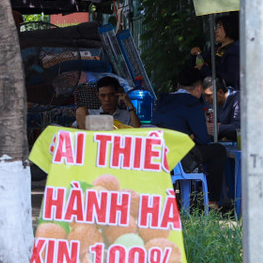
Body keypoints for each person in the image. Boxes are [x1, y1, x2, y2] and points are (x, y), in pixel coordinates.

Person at [153, 68, 227, 208]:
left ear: (178, 85)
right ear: (199, 88)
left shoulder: (162, 100)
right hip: (181, 156)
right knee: (218, 150)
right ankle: (212, 201)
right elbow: (202, 139)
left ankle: (196, 196)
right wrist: (191, 136)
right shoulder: (192, 103)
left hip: (159, 154)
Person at [192, 15, 240, 90]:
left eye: (220, 27)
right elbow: (199, 67)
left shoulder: (235, 51)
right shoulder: (214, 48)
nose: (216, 31)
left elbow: (230, 78)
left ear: (229, 28)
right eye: (216, 27)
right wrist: (195, 56)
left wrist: (204, 69)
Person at [75, 76, 141, 129]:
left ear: (117, 94)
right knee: (80, 110)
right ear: (98, 96)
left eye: (111, 95)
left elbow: (138, 134)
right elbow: (72, 130)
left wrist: (130, 106)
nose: (107, 99)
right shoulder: (89, 114)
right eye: (103, 96)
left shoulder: (127, 115)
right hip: (94, 143)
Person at [203, 76, 241, 141]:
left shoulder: (238, 99)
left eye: (208, 96)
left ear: (220, 92)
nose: (206, 100)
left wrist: (216, 128)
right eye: (204, 96)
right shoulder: (216, 102)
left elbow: (239, 126)